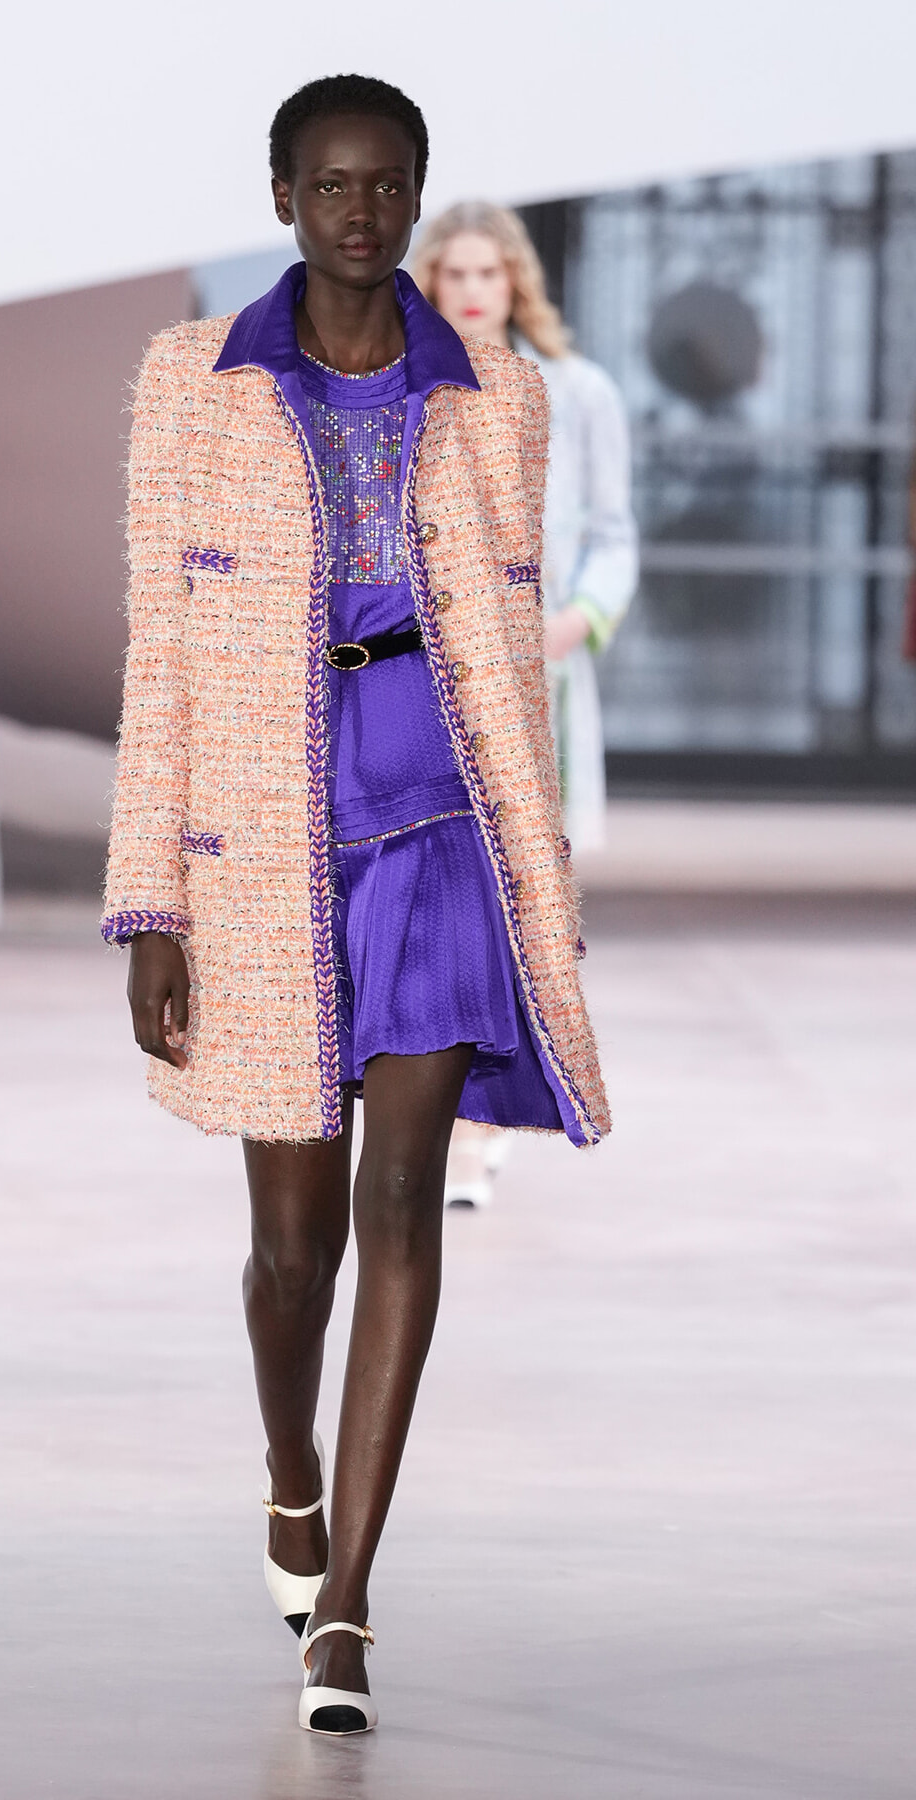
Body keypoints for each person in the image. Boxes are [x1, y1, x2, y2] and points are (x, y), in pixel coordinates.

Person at [105, 74, 609, 1736]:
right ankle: (289, 1466)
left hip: (437, 810)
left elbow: (506, 648)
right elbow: (159, 656)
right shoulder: (193, 384)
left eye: (388, 184)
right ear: (281, 194)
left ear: (417, 196)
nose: (361, 211)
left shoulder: (499, 396)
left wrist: (541, 868)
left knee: (404, 1202)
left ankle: (351, 1609)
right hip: (264, 820)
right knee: (291, 1248)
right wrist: (148, 898)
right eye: (331, 184)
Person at [411, 202, 638, 1208]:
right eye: (452, 274)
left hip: (534, 685)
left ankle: (483, 1117)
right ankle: (450, 1120)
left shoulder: (578, 395)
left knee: (511, 910)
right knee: (436, 910)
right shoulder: (403, 390)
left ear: (516, 287)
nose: (470, 293)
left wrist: (577, 618)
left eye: (487, 276)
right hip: (420, 689)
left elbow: (614, 534)